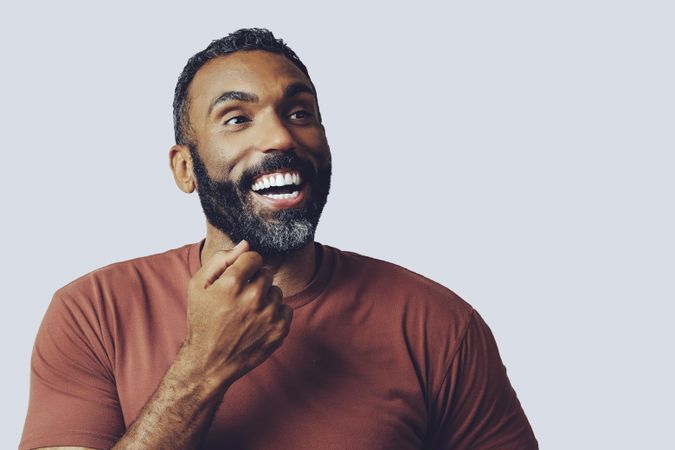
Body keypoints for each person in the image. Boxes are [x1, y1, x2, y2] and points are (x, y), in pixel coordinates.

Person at [20, 28, 538, 449]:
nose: (280, 138)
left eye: (299, 113)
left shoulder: (438, 324)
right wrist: (203, 366)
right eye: (237, 119)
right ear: (185, 168)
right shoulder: (92, 313)